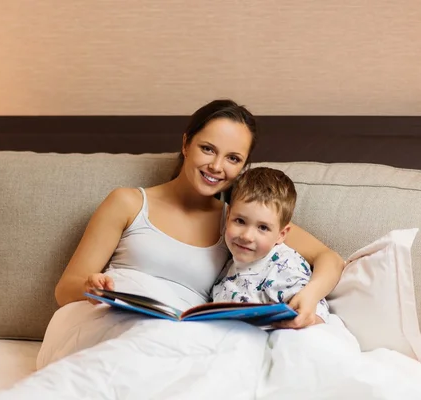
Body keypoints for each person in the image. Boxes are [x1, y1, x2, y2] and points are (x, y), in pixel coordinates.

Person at [54, 99, 344, 332]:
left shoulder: (240, 223)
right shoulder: (127, 203)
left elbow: (329, 258)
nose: (217, 166)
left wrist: (310, 295)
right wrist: (91, 287)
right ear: (185, 145)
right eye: (208, 149)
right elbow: (65, 290)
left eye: (233, 158)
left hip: (186, 337)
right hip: (109, 322)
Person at [211, 167, 330, 323]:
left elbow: (316, 313)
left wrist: (301, 321)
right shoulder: (227, 267)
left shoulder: (284, 266)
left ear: (281, 235)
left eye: (263, 228)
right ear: (228, 217)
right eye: (240, 221)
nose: (246, 236)